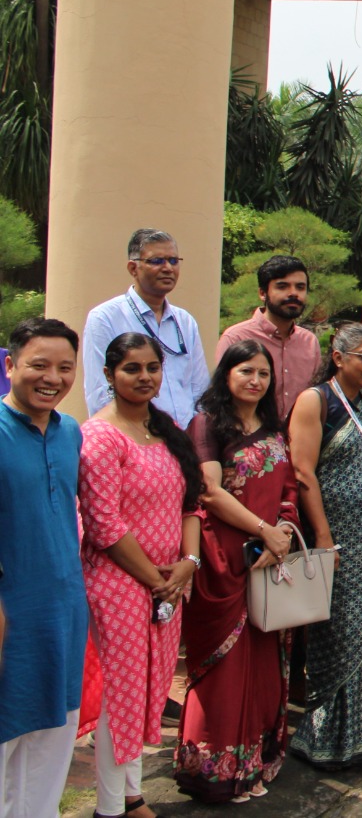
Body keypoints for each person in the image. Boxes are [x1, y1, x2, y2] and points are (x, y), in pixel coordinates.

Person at [79, 332, 205, 818]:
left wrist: (188, 563)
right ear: (110, 375)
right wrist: (159, 579)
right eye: (132, 368)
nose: (145, 377)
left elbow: (190, 502)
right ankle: (112, 807)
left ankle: (132, 795)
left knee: (151, 686)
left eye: (153, 367)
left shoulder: (166, 427)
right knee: (121, 694)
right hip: (119, 584)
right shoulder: (100, 436)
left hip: (167, 583)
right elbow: (104, 524)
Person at [175, 341, 300, 803]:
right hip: (225, 559)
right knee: (226, 670)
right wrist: (266, 531)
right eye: (246, 371)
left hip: (269, 560)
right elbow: (208, 491)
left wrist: (284, 530)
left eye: (264, 374)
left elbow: (289, 484)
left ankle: (253, 764)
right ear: (226, 374)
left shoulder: (272, 426)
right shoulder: (207, 423)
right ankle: (215, 771)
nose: (256, 380)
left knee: (265, 664)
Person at [285, 323, 362, 769]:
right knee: (339, 633)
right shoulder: (317, 400)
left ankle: (359, 735)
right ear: (338, 356)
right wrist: (324, 536)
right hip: (337, 537)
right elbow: (303, 470)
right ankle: (324, 736)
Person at [0, 319, 86, 818]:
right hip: (11, 613)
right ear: (10, 366)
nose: (51, 377)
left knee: (55, 735)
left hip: (64, 609)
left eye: (64, 368)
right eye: (38, 365)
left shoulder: (69, 432)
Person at [82, 228, 209, 428]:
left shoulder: (185, 321)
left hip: (185, 442)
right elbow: (100, 393)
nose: (168, 268)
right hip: (136, 441)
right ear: (133, 268)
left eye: (174, 261)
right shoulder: (106, 317)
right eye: (157, 261)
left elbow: (199, 391)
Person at [216, 253, 321, 419]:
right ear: (262, 293)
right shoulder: (237, 337)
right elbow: (221, 396)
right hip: (247, 438)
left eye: (300, 287)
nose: (293, 293)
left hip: (299, 439)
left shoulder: (309, 342)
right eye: (282, 286)